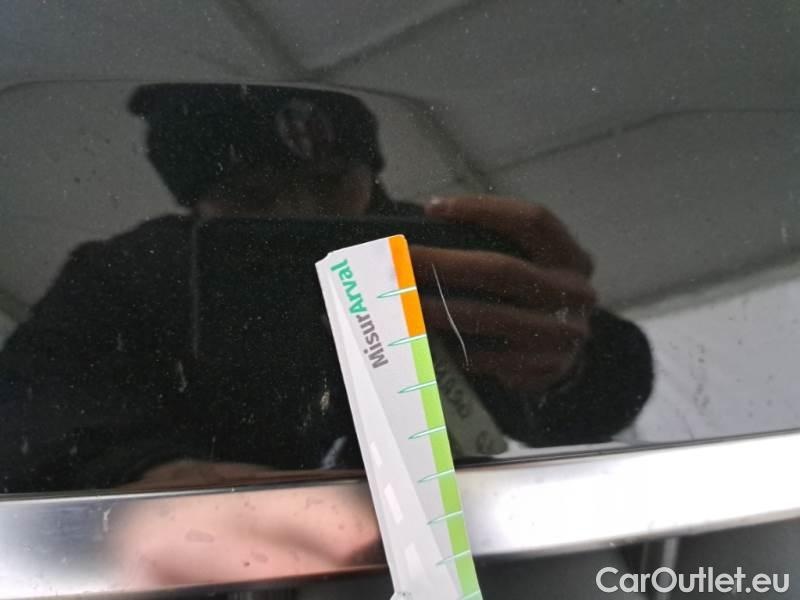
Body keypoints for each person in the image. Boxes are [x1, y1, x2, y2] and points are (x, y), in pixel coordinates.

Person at [0, 84, 653, 494]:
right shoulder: (128, 272)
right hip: (227, 565)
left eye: (333, 183)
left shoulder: (443, 246)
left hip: (456, 542)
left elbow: (595, 396)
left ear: (371, 172)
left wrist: (567, 363)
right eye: (252, 196)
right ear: (195, 201)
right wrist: (140, 473)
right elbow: (33, 401)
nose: (299, 212)